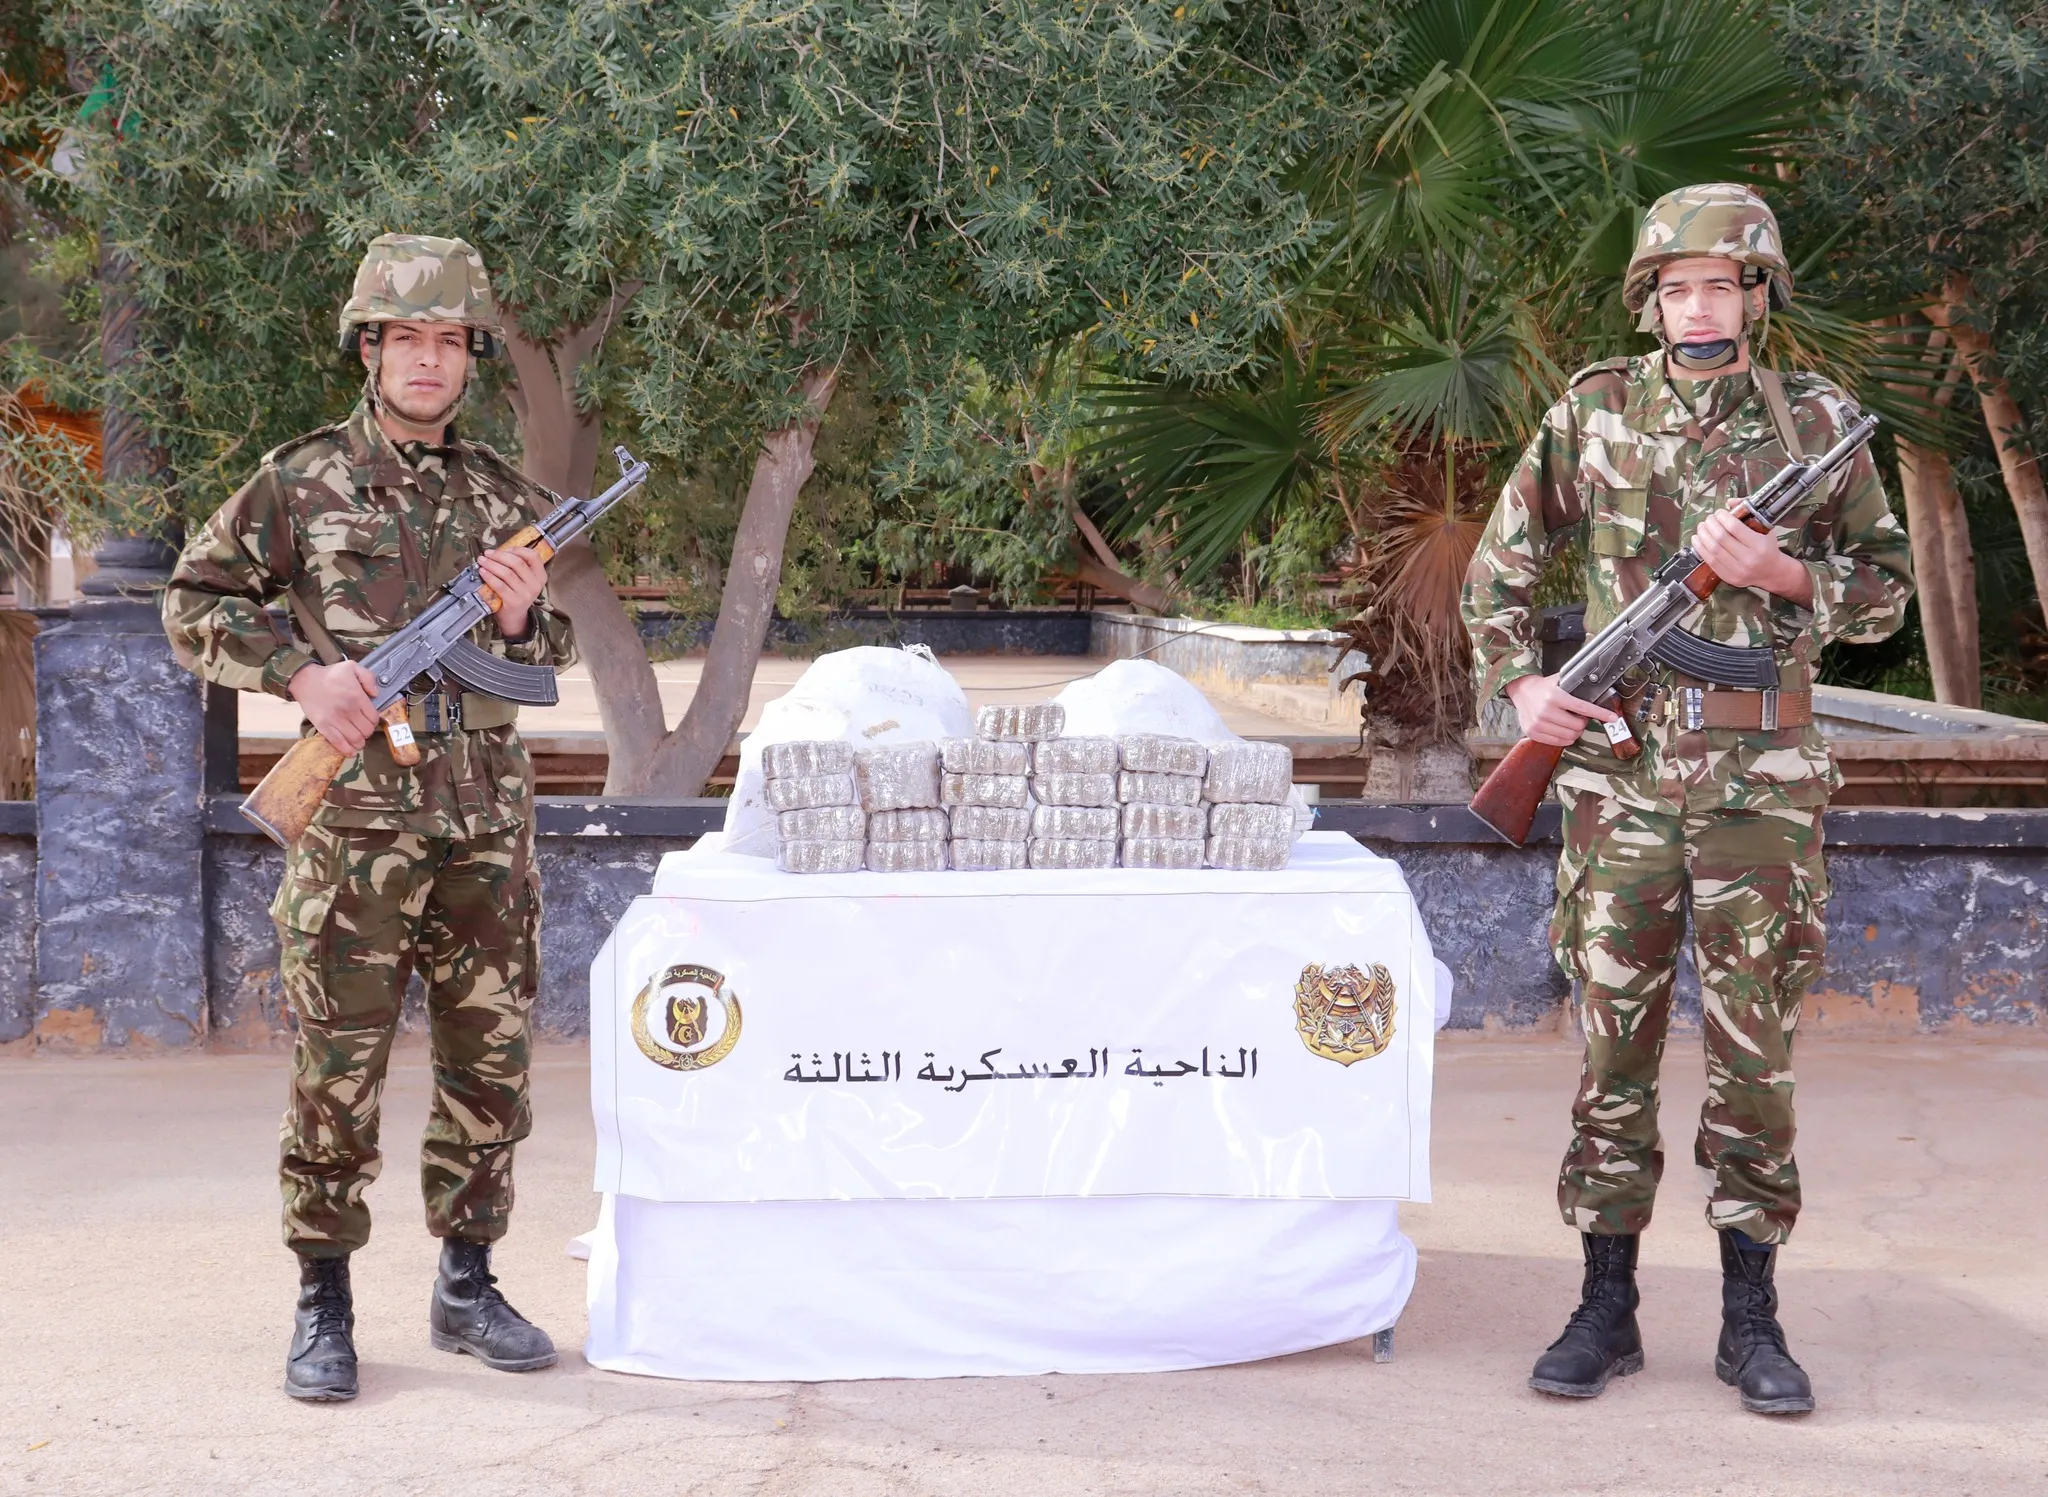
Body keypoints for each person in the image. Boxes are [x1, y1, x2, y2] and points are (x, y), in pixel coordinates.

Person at [1461, 184, 1913, 1416]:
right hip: (1614, 792)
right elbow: (1498, 564)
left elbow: (1883, 599)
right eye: (1675, 287)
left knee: (1751, 1060)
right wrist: (1519, 689)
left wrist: (1783, 574)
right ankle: (1603, 1309)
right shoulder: (1591, 408)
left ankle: (1747, 1321)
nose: (1697, 305)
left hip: (1759, 798)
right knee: (1610, 1053)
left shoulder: (1816, 422)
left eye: (1720, 284)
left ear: (1756, 295)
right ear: (1648, 300)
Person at [163, 234, 577, 1402]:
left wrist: (511, 625)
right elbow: (192, 600)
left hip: (486, 828)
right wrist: (302, 675)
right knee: (334, 1073)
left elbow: (546, 657)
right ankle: (324, 1300)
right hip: (353, 829)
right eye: (407, 339)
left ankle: (468, 1284)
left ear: (472, 357)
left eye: (449, 341)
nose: (428, 362)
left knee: (488, 1068)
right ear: (369, 347)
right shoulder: (296, 483)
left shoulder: (508, 497)